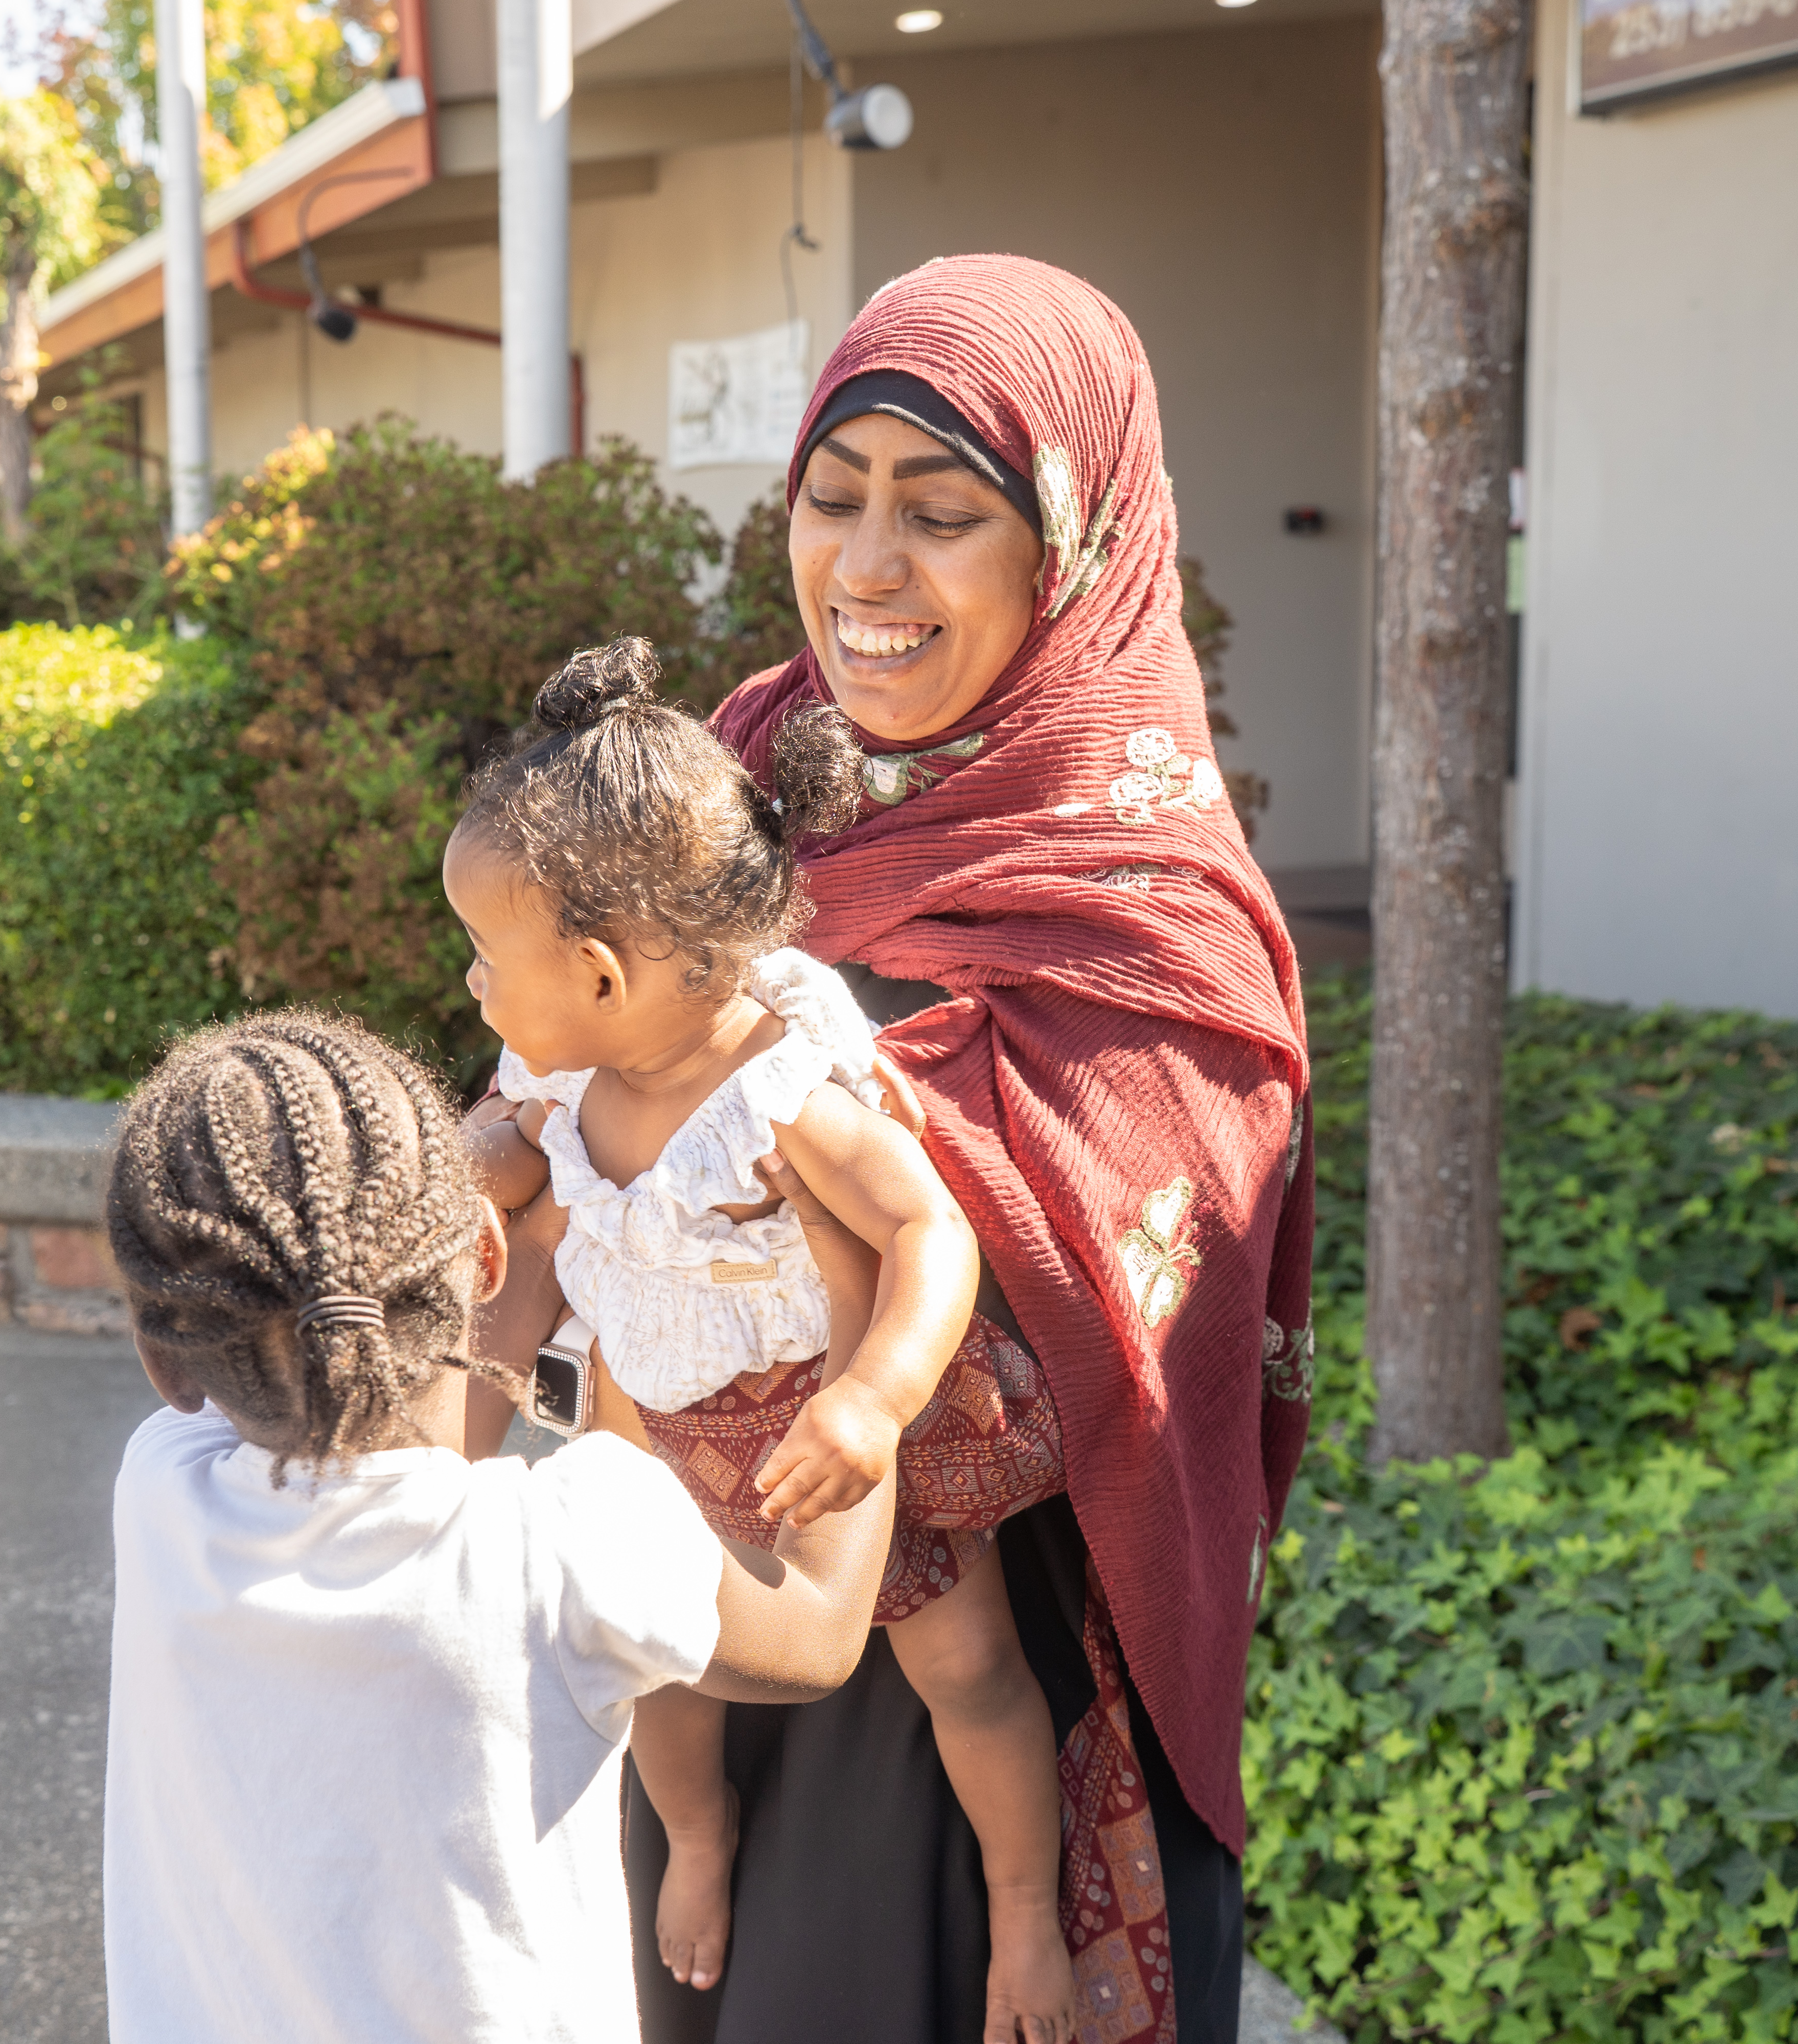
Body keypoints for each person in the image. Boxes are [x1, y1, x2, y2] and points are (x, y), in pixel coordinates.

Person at [581, 254, 1318, 2044]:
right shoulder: (736, 781)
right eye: (832, 503)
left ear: (1073, 541)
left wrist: (751, 1216)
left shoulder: (1159, 909)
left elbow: (1130, 1330)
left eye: (943, 514)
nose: (866, 570)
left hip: (996, 1694)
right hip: (718, 1646)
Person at [448, 639, 1076, 2040]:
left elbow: (929, 1234)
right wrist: (445, 1168)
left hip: (816, 1439)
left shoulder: (785, 1093)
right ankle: (701, 1831)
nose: (476, 986)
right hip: (658, 1441)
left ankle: (1025, 1912)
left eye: (488, 956)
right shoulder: (568, 1068)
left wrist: (872, 1399)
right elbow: (503, 1157)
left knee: (968, 1669)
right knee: (663, 1667)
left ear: (604, 972)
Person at [98, 1011, 895, 2044]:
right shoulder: (572, 1545)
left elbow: (413, 1454)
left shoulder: (159, 1487)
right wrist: (860, 1315)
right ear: (480, 1251)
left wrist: (548, 1211)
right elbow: (820, 1630)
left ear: (163, 1361)